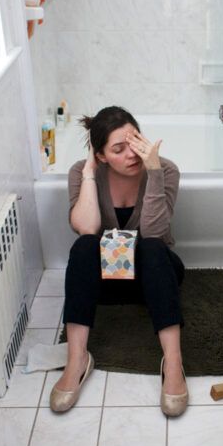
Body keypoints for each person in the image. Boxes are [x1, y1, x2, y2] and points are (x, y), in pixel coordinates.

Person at [50, 106, 189, 416]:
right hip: (106, 284)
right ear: (100, 155)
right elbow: (85, 227)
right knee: (84, 246)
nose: (132, 154)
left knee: (151, 247)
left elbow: (154, 231)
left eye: (134, 141)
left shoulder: (165, 170)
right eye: (118, 149)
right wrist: (88, 173)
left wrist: (153, 172)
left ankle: (174, 363)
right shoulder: (82, 172)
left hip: (156, 277)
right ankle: (77, 360)